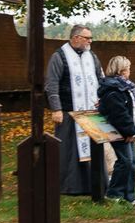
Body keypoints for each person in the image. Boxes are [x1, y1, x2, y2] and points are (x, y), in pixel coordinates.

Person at [44, 25, 104, 196]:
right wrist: (56, 108)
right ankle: (70, 186)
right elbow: (52, 84)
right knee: (69, 150)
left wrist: (102, 100)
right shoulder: (59, 56)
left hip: (91, 111)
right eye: (87, 38)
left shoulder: (91, 56)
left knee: (94, 149)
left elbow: (101, 79)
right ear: (76, 37)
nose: (90, 41)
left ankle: (95, 183)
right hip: (69, 111)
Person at [97, 56, 135, 205]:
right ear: (121, 71)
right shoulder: (114, 90)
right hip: (118, 131)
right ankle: (113, 192)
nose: (130, 71)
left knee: (132, 162)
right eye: (128, 68)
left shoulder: (125, 87)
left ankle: (129, 195)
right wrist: (128, 131)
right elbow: (119, 114)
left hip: (128, 130)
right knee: (125, 161)